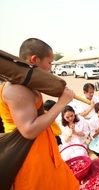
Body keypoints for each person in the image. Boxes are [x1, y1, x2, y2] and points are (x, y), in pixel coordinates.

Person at [0, 38, 79, 189]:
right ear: (34, 59)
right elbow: (29, 130)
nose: (50, 69)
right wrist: (62, 103)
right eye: (49, 63)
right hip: (28, 155)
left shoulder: (28, 85)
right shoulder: (16, 89)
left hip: (42, 152)